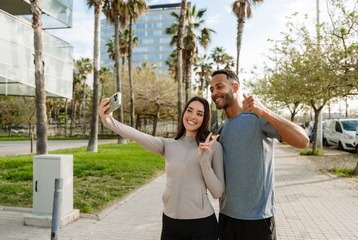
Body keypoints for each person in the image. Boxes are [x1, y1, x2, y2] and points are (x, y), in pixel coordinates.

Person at [99, 96, 225, 240]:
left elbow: (217, 192)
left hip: (202, 225)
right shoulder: (168, 145)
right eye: (189, 110)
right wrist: (108, 121)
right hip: (170, 224)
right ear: (184, 113)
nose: (192, 116)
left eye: (199, 114)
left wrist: (205, 162)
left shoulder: (213, 147)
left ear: (205, 119)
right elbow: (138, 135)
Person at [209, 69, 309, 240]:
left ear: (235, 86)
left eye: (219, 87)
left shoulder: (257, 117)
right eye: (211, 89)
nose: (214, 93)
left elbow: (303, 141)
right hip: (227, 218)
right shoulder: (221, 130)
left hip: (257, 220)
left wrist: (264, 111)